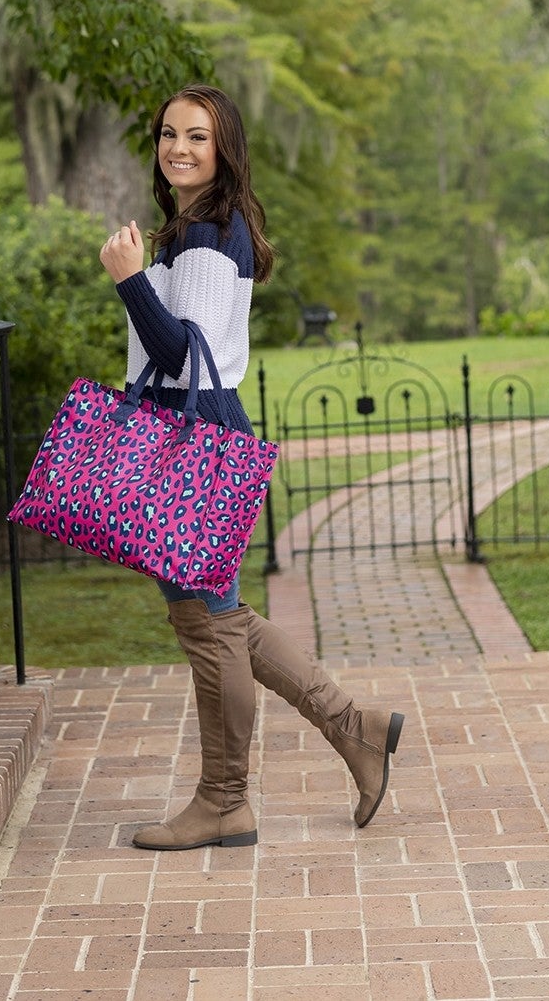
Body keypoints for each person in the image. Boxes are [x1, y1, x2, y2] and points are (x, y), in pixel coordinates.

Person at [99, 83, 404, 851]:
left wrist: (130, 280)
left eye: (197, 136)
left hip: (194, 430)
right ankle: (352, 727)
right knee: (219, 614)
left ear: (224, 146)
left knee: (206, 624)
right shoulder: (197, 228)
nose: (178, 148)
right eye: (168, 134)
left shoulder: (206, 235)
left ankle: (226, 800)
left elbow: (182, 352)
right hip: (197, 427)